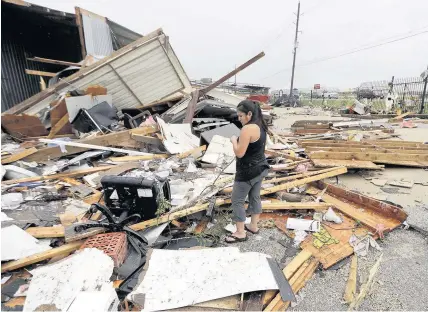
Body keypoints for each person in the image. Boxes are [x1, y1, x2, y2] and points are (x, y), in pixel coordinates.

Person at [225, 100, 270, 243]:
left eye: (240, 116)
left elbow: (239, 153)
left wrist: (233, 140)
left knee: (237, 201)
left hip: (247, 172)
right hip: (261, 168)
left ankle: (240, 233)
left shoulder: (247, 129)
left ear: (249, 114)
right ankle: (253, 226)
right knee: (255, 197)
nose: (239, 119)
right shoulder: (261, 125)